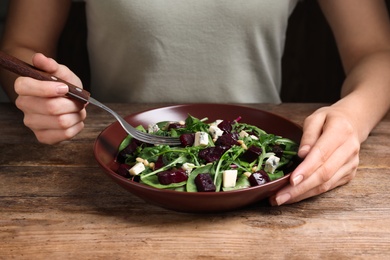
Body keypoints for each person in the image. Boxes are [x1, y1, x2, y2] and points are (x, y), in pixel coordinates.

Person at [1, 0, 390, 207]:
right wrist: (41, 92)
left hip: (262, 191)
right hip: (116, 170)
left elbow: (376, 51)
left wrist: (353, 117)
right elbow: (20, 47)